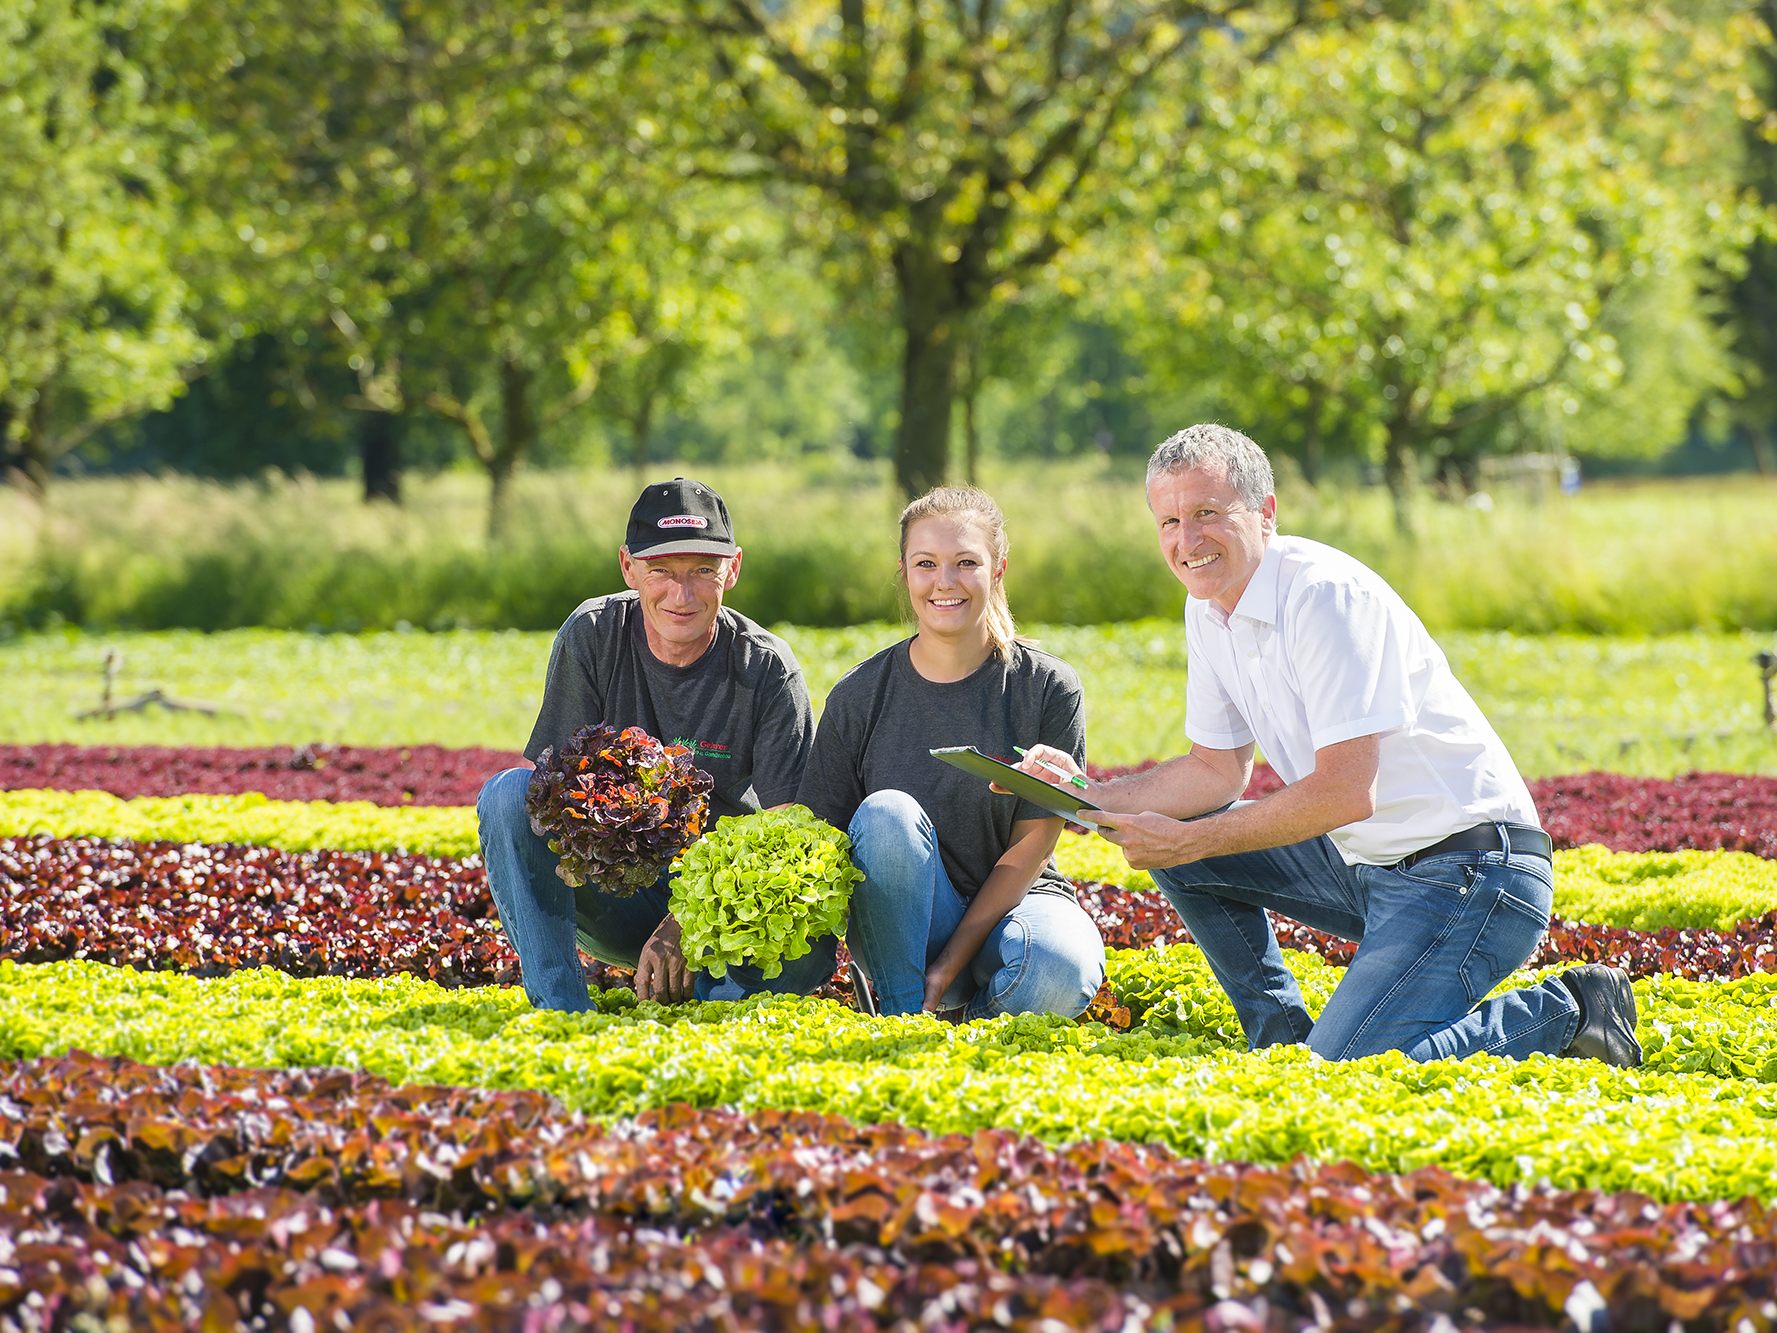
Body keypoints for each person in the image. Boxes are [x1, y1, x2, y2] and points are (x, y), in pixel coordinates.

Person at [1014, 424, 1642, 1066]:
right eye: (1169, 521)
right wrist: (1092, 796)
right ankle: (1280, 1038)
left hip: (1474, 872)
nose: (1187, 540)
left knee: (1346, 1075)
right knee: (1175, 845)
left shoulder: (1323, 597)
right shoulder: (1208, 609)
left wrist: (1191, 838)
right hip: (1370, 869)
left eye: (1207, 514)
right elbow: (1215, 772)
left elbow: (1346, 791)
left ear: (1265, 512)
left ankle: (1572, 1008)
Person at [477, 476, 835, 1010]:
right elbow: (551, 797)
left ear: (732, 569)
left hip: (726, 908)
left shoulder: (766, 668)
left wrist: (688, 922)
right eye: (661, 572)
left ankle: (710, 994)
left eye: (702, 572)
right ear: (629, 568)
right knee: (508, 795)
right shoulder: (594, 636)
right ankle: (560, 1010)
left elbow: (787, 828)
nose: (681, 594)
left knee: (805, 950)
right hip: (621, 896)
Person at [796, 486, 1106, 1021]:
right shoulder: (859, 696)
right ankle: (903, 1014)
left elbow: (1031, 847)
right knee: (887, 814)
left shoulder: (1047, 687)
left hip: (1015, 903)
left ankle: (964, 1027)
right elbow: (818, 834)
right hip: (900, 929)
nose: (945, 582)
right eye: (926, 564)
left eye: (967, 562)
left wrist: (952, 961)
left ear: (998, 568)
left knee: (1061, 970)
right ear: (904, 571)